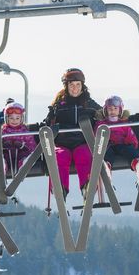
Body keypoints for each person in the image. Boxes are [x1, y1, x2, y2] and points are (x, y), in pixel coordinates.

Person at [44, 68, 101, 200]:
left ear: (82, 86)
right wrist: (51, 124)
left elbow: (104, 115)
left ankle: (87, 186)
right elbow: (48, 122)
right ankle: (60, 188)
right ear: (66, 86)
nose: (75, 88)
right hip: (62, 142)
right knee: (60, 156)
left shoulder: (89, 104)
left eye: (77, 85)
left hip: (82, 141)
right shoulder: (59, 105)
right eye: (71, 85)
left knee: (84, 155)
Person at [95, 95, 139, 180]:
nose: (112, 111)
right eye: (110, 109)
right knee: (107, 153)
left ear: (120, 110)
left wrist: (131, 144)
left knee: (128, 150)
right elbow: (97, 134)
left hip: (121, 145)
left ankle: (137, 164)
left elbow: (130, 135)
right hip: (108, 146)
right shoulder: (102, 123)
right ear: (105, 110)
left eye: (115, 109)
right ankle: (106, 166)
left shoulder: (123, 123)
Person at [2, 102, 36, 174]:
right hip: (7, 154)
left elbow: (32, 146)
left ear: (21, 118)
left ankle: (24, 164)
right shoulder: (3, 131)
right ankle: (2, 165)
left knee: (26, 156)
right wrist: (3, 145)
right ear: (6, 118)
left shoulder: (25, 131)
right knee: (2, 156)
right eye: (11, 118)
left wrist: (23, 146)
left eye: (17, 118)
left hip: (21, 154)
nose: (14, 120)